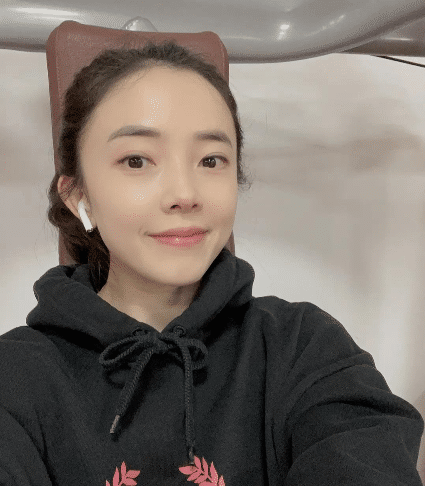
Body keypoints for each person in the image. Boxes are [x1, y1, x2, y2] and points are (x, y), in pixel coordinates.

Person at [0, 40, 423, 486]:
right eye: (136, 160)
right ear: (78, 195)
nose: (185, 194)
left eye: (210, 160)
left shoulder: (304, 349)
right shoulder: (16, 378)